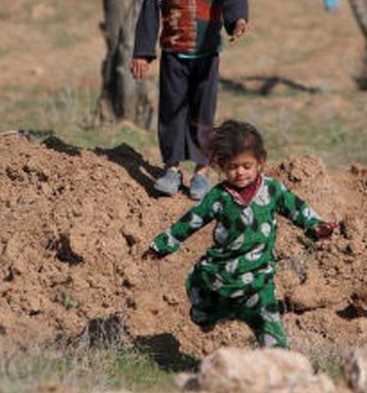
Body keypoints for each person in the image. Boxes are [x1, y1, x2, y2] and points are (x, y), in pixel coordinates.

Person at [142, 120, 336, 349]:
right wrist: (161, 246)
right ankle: (206, 314)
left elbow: (297, 208)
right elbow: (190, 222)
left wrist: (316, 226)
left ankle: (276, 363)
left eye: (247, 165)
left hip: (259, 275)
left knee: (269, 323)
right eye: (233, 167)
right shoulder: (218, 196)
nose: (240, 172)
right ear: (222, 166)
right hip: (222, 272)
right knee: (203, 297)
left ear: (260, 162)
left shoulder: (272, 190)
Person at [132, 0, 250, 200]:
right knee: (172, 111)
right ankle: (171, 168)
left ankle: (200, 171)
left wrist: (237, 19)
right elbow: (149, 11)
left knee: (203, 114)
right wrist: (143, 53)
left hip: (207, 57)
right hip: (174, 55)